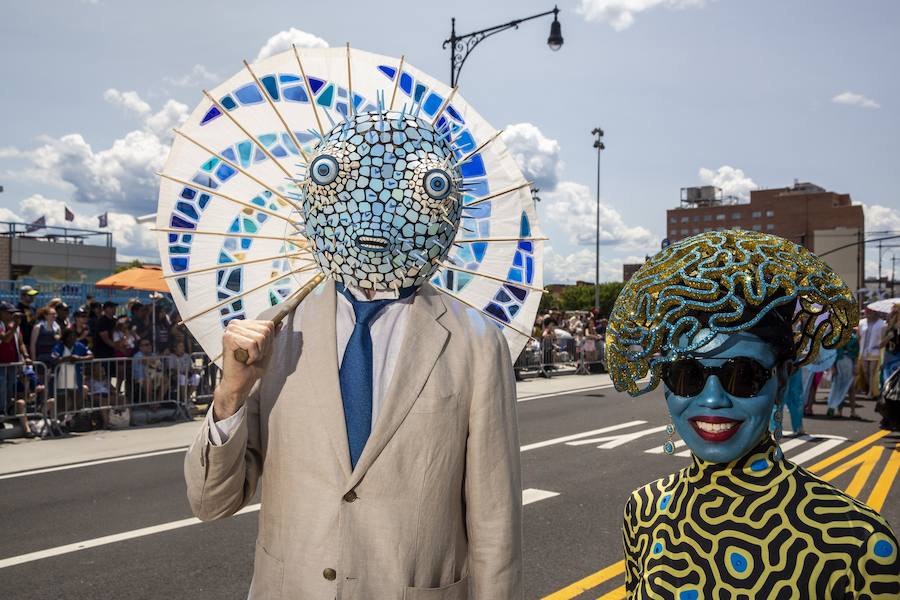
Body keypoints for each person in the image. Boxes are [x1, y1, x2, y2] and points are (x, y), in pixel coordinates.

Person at [184, 108, 522, 598]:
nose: (373, 212)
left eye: (428, 189)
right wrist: (231, 394)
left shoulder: (475, 344)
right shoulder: (275, 336)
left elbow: (495, 520)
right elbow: (210, 501)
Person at [606, 230, 899, 597]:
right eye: (686, 375)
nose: (712, 400)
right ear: (665, 383)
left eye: (742, 376)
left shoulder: (858, 542)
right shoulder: (643, 511)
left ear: (782, 378)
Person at [1, 302, 34, 436]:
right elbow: (5, 339)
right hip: (1, 363)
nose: (11, 315)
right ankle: (1, 412)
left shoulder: (15, 327)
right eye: (9, 312)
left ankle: (6, 411)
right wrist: (15, 325)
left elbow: (20, 342)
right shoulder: (5, 326)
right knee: (2, 386)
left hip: (12, 363)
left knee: (9, 388)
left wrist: (26, 355)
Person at [51, 328, 92, 418]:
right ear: (65, 338)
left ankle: (70, 419)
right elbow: (54, 359)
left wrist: (79, 358)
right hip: (62, 378)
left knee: (78, 402)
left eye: (74, 336)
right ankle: (60, 423)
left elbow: (91, 355)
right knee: (62, 404)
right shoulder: (59, 347)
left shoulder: (79, 345)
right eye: (70, 337)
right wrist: (68, 358)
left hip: (76, 378)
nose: (73, 339)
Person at [827, 329, 859, 418]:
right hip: (839, 364)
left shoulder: (854, 339)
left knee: (851, 388)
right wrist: (833, 367)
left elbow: (856, 354)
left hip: (849, 364)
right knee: (837, 387)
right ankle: (837, 410)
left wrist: (855, 366)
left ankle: (853, 411)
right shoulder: (836, 339)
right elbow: (831, 354)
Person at [857, 307, 885, 398]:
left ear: (875, 313)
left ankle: (871, 392)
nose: (868, 314)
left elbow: (883, 337)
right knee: (865, 371)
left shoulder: (882, 323)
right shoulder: (862, 323)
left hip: (875, 351)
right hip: (864, 351)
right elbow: (859, 336)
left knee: (872, 371)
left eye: (870, 312)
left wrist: (880, 345)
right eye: (867, 312)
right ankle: (869, 388)